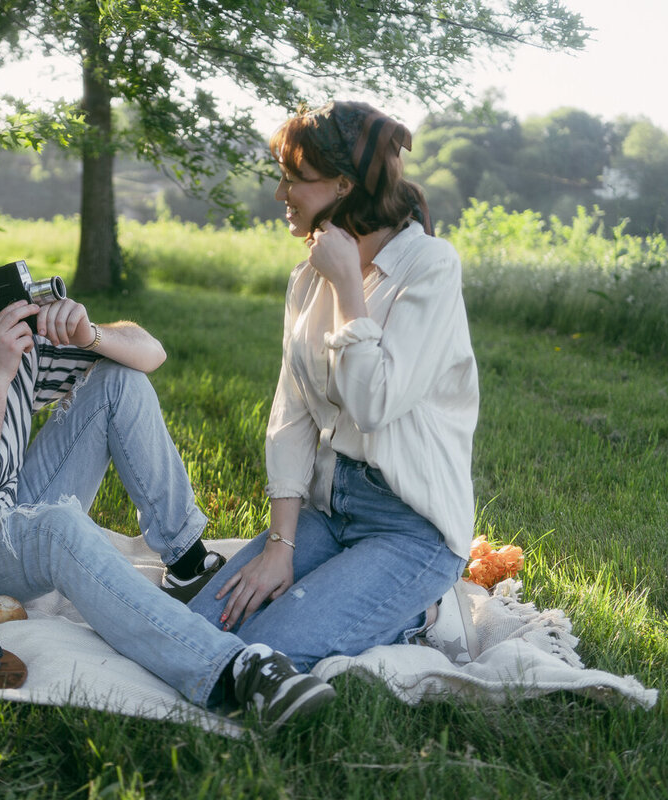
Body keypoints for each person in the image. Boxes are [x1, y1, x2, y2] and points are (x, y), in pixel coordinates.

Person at [0, 208, 335, 727]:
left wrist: (89, 333)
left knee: (118, 380)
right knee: (56, 529)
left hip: (7, 508)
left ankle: (187, 565)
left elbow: (151, 355)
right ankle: (231, 672)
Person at [187, 101, 481, 671]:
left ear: (343, 185)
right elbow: (291, 413)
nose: (281, 194)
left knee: (260, 656)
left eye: (295, 179)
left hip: (410, 525)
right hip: (331, 505)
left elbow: (374, 405)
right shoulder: (306, 277)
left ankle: (420, 612)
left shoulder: (430, 266)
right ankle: (367, 601)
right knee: (198, 628)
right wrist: (281, 546)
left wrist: (349, 284)